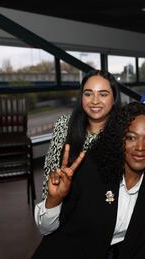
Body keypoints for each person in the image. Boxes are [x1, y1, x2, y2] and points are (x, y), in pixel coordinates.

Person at [33, 102, 145, 258]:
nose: (140, 147)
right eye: (131, 137)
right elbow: (45, 228)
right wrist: (54, 201)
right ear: (119, 138)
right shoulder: (89, 170)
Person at [41, 70, 120, 200]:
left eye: (103, 94)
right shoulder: (64, 125)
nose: (95, 101)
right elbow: (48, 184)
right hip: (68, 210)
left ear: (114, 98)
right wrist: (53, 199)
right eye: (88, 94)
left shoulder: (124, 132)